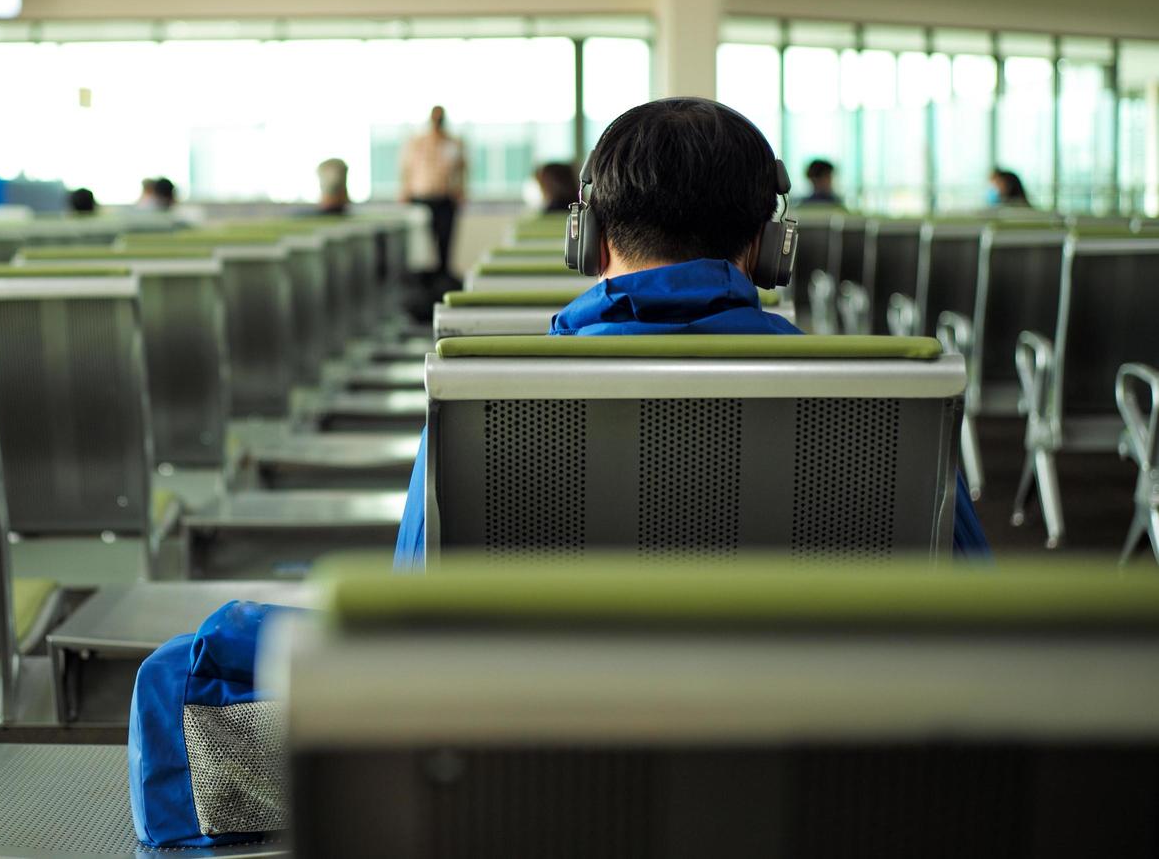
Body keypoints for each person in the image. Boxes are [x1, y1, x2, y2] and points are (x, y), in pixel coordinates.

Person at [394, 97, 990, 567]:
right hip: (833, 715)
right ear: (768, 247)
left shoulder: (483, 396)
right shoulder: (886, 395)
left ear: (589, 238)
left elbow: (417, 604)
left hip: (546, 716)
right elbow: (968, 598)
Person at [400, 105, 466, 275]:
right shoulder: (417, 143)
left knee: (445, 241)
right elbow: (406, 169)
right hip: (421, 198)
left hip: (445, 198)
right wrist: (404, 191)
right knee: (422, 246)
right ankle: (424, 281)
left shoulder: (454, 143)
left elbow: (463, 170)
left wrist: (461, 191)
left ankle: (443, 276)